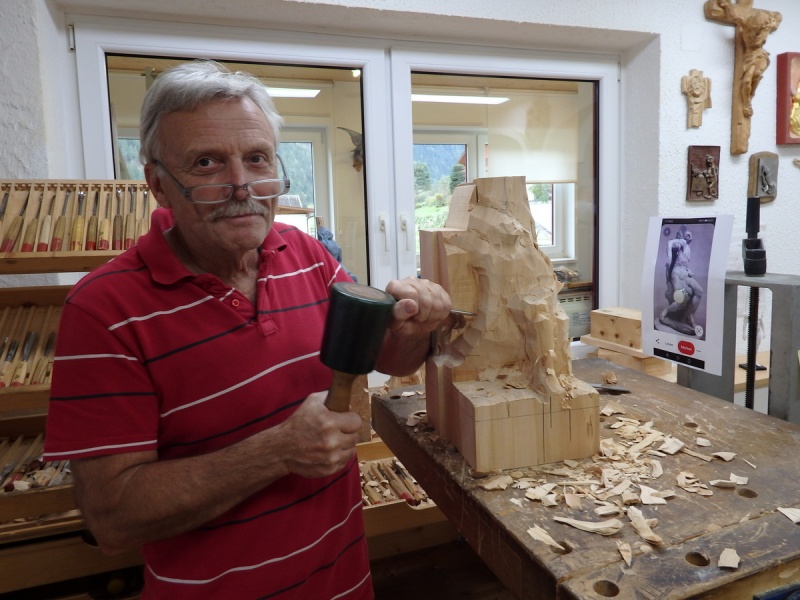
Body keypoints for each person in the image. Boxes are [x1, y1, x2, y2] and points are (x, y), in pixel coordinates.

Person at [43, 60, 452, 599]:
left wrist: (414, 328)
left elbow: (387, 359)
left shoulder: (305, 253)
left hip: (344, 583)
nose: (241, 185)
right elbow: (112, 519)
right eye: (207, 163)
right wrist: (276, 452)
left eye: (256, 158)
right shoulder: (103, 310)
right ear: (159, 184)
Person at [659, 226, 703, 336]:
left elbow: (684, 262)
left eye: (690, 234)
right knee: (681, 300)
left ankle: (689, 315)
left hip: (685, 273)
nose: (690, 236)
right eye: (688, 234)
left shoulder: (687, 246)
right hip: (677, 274)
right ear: (683, 235)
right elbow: (670, 243)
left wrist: (688, 270)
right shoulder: (681, 242)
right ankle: (665, 312)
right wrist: (669, 256)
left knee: (699, 291)